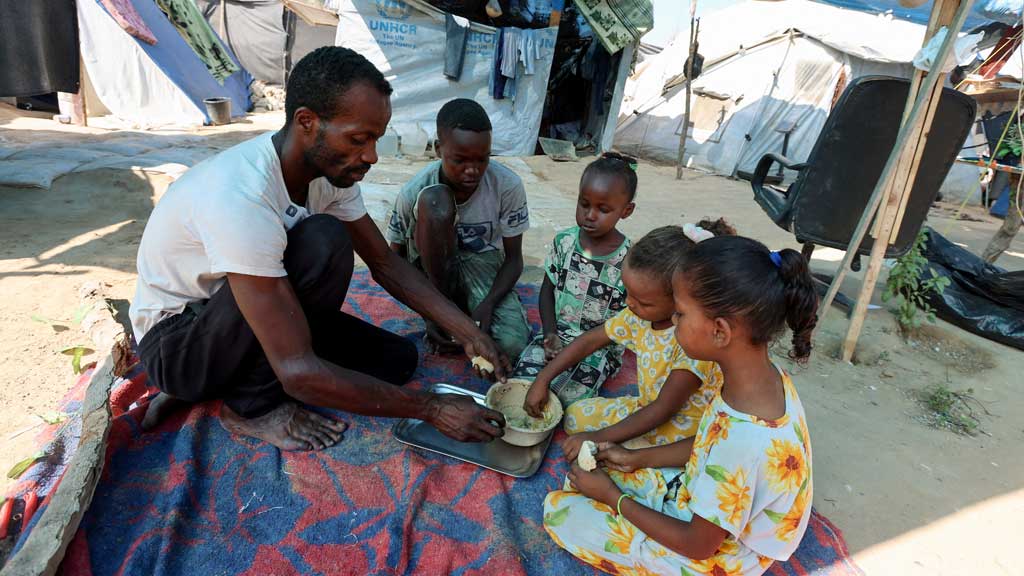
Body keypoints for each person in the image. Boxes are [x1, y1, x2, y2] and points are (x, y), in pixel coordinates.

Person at [129, 47, 509, 453]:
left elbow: (384, 262)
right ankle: (247, 407)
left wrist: (469, 332)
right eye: (359, 139)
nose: (371, 156)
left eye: (375, 139)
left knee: (395, 362)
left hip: (242, 316)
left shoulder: (326, 174)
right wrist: (433, 409)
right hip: (180, 342)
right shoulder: (242, 195)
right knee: (324, 240)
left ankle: (226, 380)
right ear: (306, 122)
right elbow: (297, 373)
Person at [543, 235, 817, 576]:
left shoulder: (746, 440)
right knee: (590, 477)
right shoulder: (758, 379)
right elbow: (707, 442)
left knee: (560, 511)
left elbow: (698, 545)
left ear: (720, 331)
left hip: (721, 556)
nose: (673, 322)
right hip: (704, 502)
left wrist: (615, 499)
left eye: (681, 314)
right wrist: (634, 458)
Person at [525, 221, 734, 463]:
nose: (630, 304)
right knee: (574, 417)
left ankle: (640, 458)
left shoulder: (694, 341)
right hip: (645, 408)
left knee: (600, 461)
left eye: (643, 301)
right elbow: (589, 341)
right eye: (627, 293)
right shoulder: (638, 316)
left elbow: (664, 409)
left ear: (681, 299)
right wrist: (543, 379)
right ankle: (625, 447)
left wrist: (597, 437)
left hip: (681, 432)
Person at [386, 98, 531, 360]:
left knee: (511, 345)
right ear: (439, 149)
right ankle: (446, 307)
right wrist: (430, 313)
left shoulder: (507, 186)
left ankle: (466, 308)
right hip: (431, 274)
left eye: (482, 159)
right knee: (435, 201)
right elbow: (393, 261)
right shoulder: (413, 191)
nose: (472, 170)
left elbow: (513, 259)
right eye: (460, 160)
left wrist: (488, 304)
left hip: (482, 263)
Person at [509, 153, 637, 406]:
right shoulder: (565, 242)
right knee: (521, 384)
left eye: (603, 209)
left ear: (626, 211)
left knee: (564, 398)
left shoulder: (630, 261)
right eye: (584, 204)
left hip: (599, 348)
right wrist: (549, 333)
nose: (590, 215)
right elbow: (547, 290)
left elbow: (627, 319)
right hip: (560, 336)